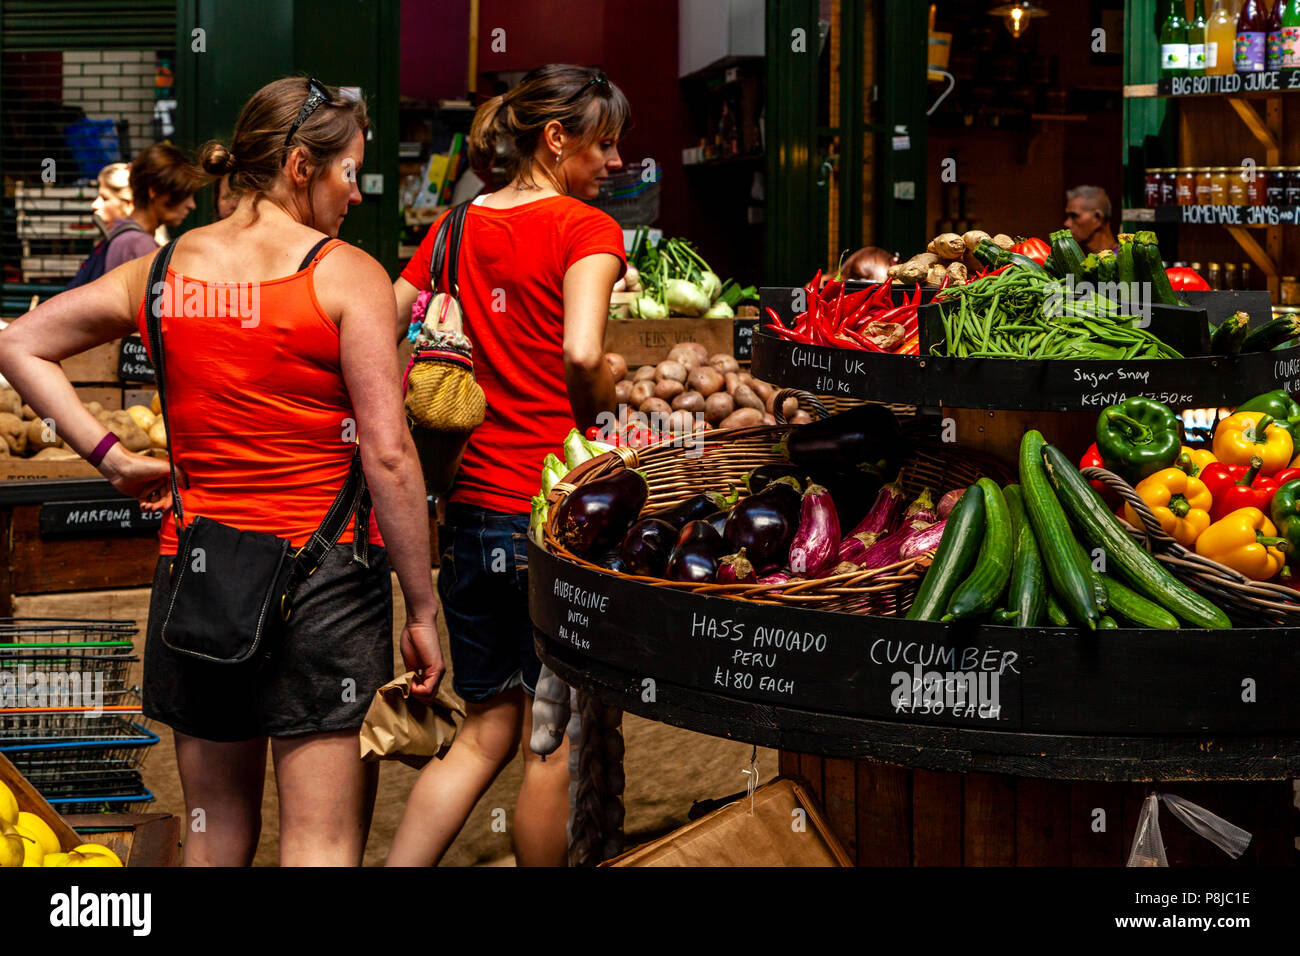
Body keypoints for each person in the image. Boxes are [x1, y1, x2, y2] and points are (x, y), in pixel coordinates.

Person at [0, 76, 443, 867]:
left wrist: (113, 461)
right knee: (321, 845)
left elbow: (17, 344)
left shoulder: (163, 273)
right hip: (328, 584)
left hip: (200, 578)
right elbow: (387, 452)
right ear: (302, 166)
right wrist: (421, 606)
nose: (356, 193)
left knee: (214, 841)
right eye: (348, 172)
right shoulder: (349, 277)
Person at [386, 64, 629, 867]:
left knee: (487, 725)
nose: (617, 162)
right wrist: (603, 405)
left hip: (465, 512)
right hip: (547, 513)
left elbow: (384, 320)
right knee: (547, 743)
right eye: (606, 144)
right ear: (556, 139)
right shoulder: (586, 229)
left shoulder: (454, 226)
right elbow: (583, 352)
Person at [66, 162, 145, 289]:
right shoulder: (108, 243)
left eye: (105, 198)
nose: (94, 205)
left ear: (129, 204)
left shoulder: (134, 246)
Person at [1064, 185, 1117, 255]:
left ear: (1097, 219)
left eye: (1074, 216)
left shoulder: (1124, 262)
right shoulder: (1076, 261)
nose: (1066, 223)